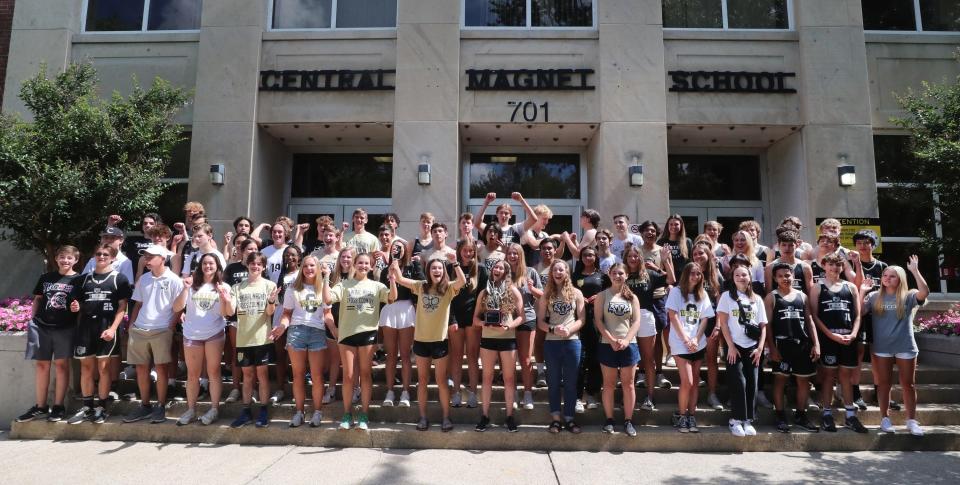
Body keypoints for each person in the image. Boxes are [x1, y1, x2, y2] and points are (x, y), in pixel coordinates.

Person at [322, 252, 396, 431]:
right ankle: (347, 415)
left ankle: (364, 414)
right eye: (360, 263)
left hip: (368, 334)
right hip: (347, 335)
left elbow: (392, 298)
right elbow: (328, 299)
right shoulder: (344, 284)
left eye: (366, 263)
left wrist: (393, 280)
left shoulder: (377, 285)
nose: (363, 266)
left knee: (365, 374)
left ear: (371, 267)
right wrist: (325, 277)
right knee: (348, 376)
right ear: (354, 265)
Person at [392, 252, 466, 431]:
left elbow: (462, 281)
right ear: (428, 270)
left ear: (443, 271)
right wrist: (394, 264)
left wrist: (455, 262)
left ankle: (446, 418)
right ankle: (423, 417)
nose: (437, 270)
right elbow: (401, 279)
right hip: (421, 341)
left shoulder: (448, 288)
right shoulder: (421, 286)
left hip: (440, 341)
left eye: (440, 268)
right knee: (423, 380)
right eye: (433, 268)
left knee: (441, 381)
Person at [66, 244, 132, 424]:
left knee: (103, 368)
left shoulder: (119, 278)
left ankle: (101, 407)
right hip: (86, 326)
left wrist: (113, 329)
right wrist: (75, 307)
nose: (101, 256)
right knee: (86, 368)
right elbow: (76, 304)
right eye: (98, 254)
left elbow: (122, 307)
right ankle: (87, 406)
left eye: (105, 254)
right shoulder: (83, 279)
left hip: (107, 325)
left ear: (112, 258)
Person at [17, 246, 82, 423]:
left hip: (65, 327)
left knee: (61, 366)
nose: (65, 261)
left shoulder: (79, 279)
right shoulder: (46, 277)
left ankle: (59, 406)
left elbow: (80, 303)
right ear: (56, 258)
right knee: (41, 366)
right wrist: (32, 320)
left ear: (75, 260)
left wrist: (78, 308)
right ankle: (40, 406)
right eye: (62, 257)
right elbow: (38, 298)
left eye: (69, 258)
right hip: (42, 327)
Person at [866, 255, 929, 436]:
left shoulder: (908, 296)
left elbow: (924, 292)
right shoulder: (873, 297)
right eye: (885, 275)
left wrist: (915, 271)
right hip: (881, 348)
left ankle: (911, 421)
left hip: (905, 346)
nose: (887, 278)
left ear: (900, 278)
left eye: (892, 276)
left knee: (908, 384)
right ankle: (885, 419)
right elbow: (859, 312)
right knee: (883, 384)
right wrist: (862, 291)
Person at [122, 245, 184, 424]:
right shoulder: (144, 279)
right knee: (141, 368)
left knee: (161, 368)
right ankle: (145, 405)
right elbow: (138, 304)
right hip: (140, 328)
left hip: (162, 329)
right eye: (146, 256)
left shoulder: (174, 280)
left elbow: (179, 308)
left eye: (151, 256)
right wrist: (132, 325)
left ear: (162, 258)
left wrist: (170, 326)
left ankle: (160, 405)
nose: (147, 259)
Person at [172, 253, 234, 426]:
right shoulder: (191, 286)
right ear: (200, 266)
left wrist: (224, 298)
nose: (208, 266)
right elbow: (177, 307)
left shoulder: (224, 286)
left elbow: (226, 313)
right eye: (205, 263)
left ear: (217, 266)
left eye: (211, 263)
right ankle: (191, 409)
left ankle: (214, 409)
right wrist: (185, 289)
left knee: (213, 372)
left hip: (214, 333)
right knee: (192, 375)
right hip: (191, 334)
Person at [809, 252, 866, 433]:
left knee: (846, 378)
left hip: (848, 337)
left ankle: (850, 415)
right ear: (824, 266)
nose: (834, 268)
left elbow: (858, 314)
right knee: (828, 376)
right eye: (831, 265)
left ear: (842, 267)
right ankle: (826, 414)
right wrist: (830, 335)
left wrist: (854, 333)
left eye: (838, 265)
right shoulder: (818, 287)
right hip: (828, 339)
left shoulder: (850, 287)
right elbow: (814, 316)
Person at [274, 255, 333, 428]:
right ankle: (299, 412)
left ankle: (317, 412)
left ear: (318, 268)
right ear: (302, 269)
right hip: (296, 331)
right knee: (298, 375)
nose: (309, 269)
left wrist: (335, 330)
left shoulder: (323, 288)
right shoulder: (293, 289)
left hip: (317, 332)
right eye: (306, 266)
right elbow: (286, 314)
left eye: (312, 266)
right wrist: (282, 327)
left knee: (317, 376)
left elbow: (328, 312)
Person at [764, 262, 821, 433]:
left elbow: (809, 321)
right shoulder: (771, 297)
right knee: (780, 381)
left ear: (793, 276)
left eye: (787, 275)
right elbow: (768, 325)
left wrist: (816, 343)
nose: (785, 278)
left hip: (802, 344)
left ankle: (801, 415)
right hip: (782, 345)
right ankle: (780, 415)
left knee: (804, 381)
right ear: (775, 278)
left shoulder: (802, 296)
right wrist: (771, 348)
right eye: (780, 276)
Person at [229, 252, 280, 428]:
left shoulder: (269, 285)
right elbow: (229, 311)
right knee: (247, 376)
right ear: (247, 265)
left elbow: (270, 313)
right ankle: (246, 411)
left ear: (264, 267)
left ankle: (264, 410)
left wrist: (272, 301)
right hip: (243, 340)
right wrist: (223, 296)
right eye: (252, 263)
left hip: (262, 339)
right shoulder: (237, 287)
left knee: (262, 375)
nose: (255, 266)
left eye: (259, 264)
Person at [473, 260, 524, 432]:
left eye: (501, 267)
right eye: (495, 267)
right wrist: (484, 324)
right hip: (488, 339)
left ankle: (509, 416)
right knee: (487, 378)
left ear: (506, 271)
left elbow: (521, 317)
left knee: (509, 379)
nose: (498, 269)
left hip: (508, 338)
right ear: (492, 270)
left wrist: (509, 326)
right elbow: (475, 319)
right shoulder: (484, 292)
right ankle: (484, 416)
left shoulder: (513, 290)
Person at [717, 265, 767, 437]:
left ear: (750, 277)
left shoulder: (757, 299)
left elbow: (763, 326)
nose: (741, 277)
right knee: (739, 382)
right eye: (737, 275)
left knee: (752, 383)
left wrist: (760, 347)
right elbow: (723, 323)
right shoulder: (726, 297)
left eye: (744, 275)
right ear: (733, 278)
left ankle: (748, 420)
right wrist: (730, 346)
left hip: (753, 347)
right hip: (735, 346)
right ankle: (736, 419)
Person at [537, 259, 585, 434]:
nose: (558, 272)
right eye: (555, 270)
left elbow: (582, 319)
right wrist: (553, 329)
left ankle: (570, 418)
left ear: (567, 273)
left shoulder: (576, 293)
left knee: (571, 382)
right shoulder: (546, 294)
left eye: (561, 270)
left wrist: (570, 330)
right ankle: (556, 418)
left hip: (572, 343)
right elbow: (540, 322)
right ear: (551, 273)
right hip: (552, 343)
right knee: (554, 382)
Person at [666, 262, 716, 433]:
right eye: (692, 273)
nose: (696, 276)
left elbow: (705, 319)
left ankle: (691, 416)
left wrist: (695, 338)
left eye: (698, 273)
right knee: (687, 381)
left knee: (694, 382)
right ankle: (681, 415)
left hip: (698, 342)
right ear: (686, 274)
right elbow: (672, 316)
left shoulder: (702, 294)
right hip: (680, 342)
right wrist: (686, 339)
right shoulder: (676, 292)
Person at [594, 263, 642, 437]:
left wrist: (627, 340)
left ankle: (628, 420)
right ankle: (609, 420)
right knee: (608, 384)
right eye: (614, 273)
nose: (617, 276)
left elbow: (636, 321)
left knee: (629, 385)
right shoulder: (602, 295)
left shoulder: (632, 297)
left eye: (621, 273)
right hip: (608, 345)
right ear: (609, 274)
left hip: (629, 345)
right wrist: (612, 340)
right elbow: (599, 321)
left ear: (626, 275)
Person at [623, 242, 675, 402]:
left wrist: (664, 262)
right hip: (625, 317)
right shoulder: (621, 274)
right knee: (628, 357)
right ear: (625, 258)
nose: (633, 258)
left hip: (645, 316)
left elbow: (671, 279)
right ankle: (628, 396)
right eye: (630, 256)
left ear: (640, 258)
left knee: (648, 358)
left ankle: (650, 397)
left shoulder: (649, 275)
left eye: (636, 256)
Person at [851, 229, 892, 410]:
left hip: (879, 314)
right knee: (859, 352)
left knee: (878, 354)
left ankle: (880, 393)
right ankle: (855, 393)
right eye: (859, 243)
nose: (862, 246)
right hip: (859, 312)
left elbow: (890, 290)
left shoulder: (883, 266)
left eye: (866, 242)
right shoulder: (852, 265)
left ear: (873, 244)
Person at [379, 239, 421, 408]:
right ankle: (390, 391)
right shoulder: (384, 271)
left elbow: (420, 287)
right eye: (394, 248)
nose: (397, 250)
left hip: (407, 310)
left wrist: (399, 275)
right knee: (390, 355)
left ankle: (405, 391)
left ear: (405, 250)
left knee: (405, 355)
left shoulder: (412, 268)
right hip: (390, 309)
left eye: (400, 248)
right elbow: (384, 293)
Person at [449, 238, 488, 408]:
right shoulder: (450, 268)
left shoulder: (481, 270)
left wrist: (477, 318)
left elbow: (483, 296)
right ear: (459, 251)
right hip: (456, 318)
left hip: (473, 318)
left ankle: (473, 393)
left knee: (472, 357)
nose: (467, 253)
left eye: (470, 251)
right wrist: (452, 319)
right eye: (464, 250)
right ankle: (456, 393)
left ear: (475, 252)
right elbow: (447, 296)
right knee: (456, 357)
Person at [505, 242, 543, 410]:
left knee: (526, 359)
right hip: (506, 320)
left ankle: (528, 393)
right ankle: (513, 393)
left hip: (527, 318)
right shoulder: (503, 272)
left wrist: (532, 288)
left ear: (521, 255)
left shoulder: (531, 272)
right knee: (509, 361)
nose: (513, 256)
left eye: (516, 253)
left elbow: (542, 295)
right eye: (510, 253)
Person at [636, 220, 672, 388]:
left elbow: (671, 277)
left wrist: (660, 265)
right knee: (639, 337)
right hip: (640, 298)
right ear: (641, 233)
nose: (649, 233)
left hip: (658, 298)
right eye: (646, 231)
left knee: (656, 338)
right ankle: (641, 372)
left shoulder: (662, 251)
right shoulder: (636, 251)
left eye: (652, 231)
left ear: (657, 234)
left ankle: (659, 373)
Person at [223, 237, 259, 403]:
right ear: (242, 251)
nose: (252, 252)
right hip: (235, 318)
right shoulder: (232, 268)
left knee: (255, 355)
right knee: (238, 354)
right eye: (249, 249)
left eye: (254, 249)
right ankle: (236, 388)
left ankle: (253, 388)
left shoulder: (258, 268)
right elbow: (225, 290)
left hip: (255, 319)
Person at [573, 247, 608, 412]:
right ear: (581, 257)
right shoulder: (575, 276)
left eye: (591, 254)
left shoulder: (603, 276)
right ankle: (578, 397)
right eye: (585, 255)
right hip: (578, 321)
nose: (588, 257)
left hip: (597, 322)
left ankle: (592, 394)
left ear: (596, 257)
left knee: (595, 359)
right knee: (579, 361)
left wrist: (599, 297)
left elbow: (610, 294)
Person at [692, 242, 726, 412]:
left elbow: (720, 304)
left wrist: (719, 326)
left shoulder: (716, 276)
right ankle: (693, 395)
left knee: (712, 360)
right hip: (692, 323)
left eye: (701, 253)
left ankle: (712, 394)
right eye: (695, 254)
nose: (698, 257)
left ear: (708, 255)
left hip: (711, 322)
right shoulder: (690, 274)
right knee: (695, 361)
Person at [473, 192, 540, 246]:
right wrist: (486, 202)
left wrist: (521, 200)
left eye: (506, 213)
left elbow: (533, 219)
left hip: (512, 261)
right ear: (497, 214)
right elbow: (477, 223)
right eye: (501, 213)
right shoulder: (491, 229)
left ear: (510, 216)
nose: (503, 215)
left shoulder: (516, 228)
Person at [764, 230, 813, 295]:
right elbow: (768, 293)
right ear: (778, 246)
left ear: (797, 246)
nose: (787, 248)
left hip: (800, 303)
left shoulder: (805, 267)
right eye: (784, 245)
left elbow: (810, 293)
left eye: (791, 245)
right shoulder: (770, 268)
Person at [659, 214, 693, 282]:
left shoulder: (687, 242)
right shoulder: (661, 242)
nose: (673, 226)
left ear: (681, 225)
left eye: (676, 224)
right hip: (667, 279)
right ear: (667, 226)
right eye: (671, 224)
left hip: (684, 279)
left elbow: (691, 261)